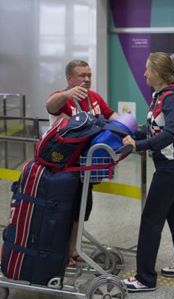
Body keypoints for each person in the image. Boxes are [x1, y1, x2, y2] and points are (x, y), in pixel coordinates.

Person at [122, 52, 174, 292]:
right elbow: (157, 129)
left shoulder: (172, 97)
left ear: (157, 73)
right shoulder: (160, 96)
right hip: (167, 165)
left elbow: (171, 134)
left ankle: (144, 278)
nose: (144, 74)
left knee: (151, 220)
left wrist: (140, 146)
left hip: (171, 167)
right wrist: (136, 137)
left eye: (147, 70)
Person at [45, 60, 119, 267]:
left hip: (85, 167)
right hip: (63, 167)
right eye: (81, 76)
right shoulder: (62, 98)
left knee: (81, 209)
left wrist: (126, 128)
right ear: (70, 79)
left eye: (89, 75)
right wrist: (67, 94)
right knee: (65, 210)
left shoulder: (94, 97)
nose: (87, 79)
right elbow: (50, 104)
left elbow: (111, 115)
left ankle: (73, 249)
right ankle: (61, 252)